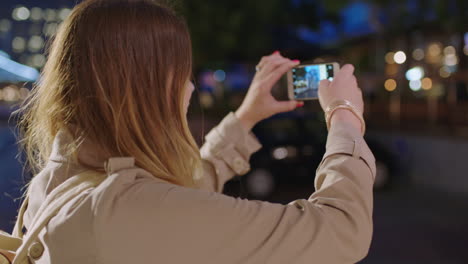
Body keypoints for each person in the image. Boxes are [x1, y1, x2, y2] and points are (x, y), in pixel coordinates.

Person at [15, 0, 375, 263]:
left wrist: (246, 116)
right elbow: (341, 230)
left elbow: (179, 195)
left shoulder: (54, 183)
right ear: (148, 87)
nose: (189, 89)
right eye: (182, 74)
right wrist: (345, 118)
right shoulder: (125, 211)